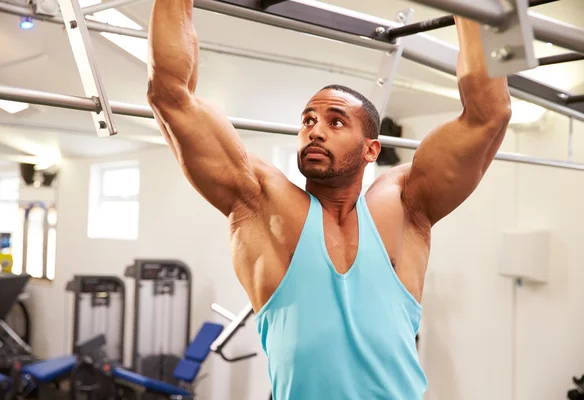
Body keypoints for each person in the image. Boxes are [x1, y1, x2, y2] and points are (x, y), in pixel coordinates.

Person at [145, 0, 512, 398]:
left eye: (335, 121)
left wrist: (469, 8)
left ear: (371, 150)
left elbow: (488, 114)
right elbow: (171, 95)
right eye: (308, 120)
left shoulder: (405, 205)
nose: (315, 131)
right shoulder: (260, 203)